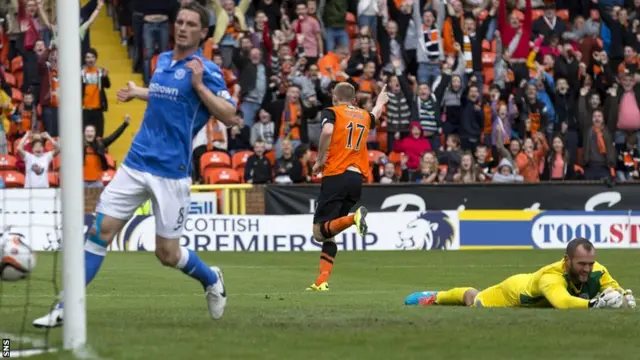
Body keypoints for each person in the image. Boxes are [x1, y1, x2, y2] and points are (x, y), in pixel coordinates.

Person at [33, 2, 237, 328]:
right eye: (180, 22)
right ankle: (65, 308)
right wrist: (138, 92)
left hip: (171, 172)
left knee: (167, 254)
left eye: (190, 24)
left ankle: (212, 278)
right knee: (100, 233)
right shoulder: (164, 61)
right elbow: (164, 95)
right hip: (136, 162)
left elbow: (229, 115)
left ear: (202, 32)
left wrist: (199, 86)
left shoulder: (207, 71)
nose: (182, 27)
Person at [306, 82, 388, 291]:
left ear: (334, 98)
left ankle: (354, 218)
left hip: (336, 174)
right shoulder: (363, 115)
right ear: (354, 100)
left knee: (318, 233)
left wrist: (320, 158)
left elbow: (326, 131)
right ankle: (321, 281)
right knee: (330, 232)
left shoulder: (332, 112)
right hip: (356, 177)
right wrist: (380, 101)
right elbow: (375, 114)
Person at [404, 238, 636, 309]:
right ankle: (437, 296)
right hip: (512, 292)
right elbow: (562, 302)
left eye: (590, 263)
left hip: (526, 282)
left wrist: (624, 295)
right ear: (567, 262)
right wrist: (593, 305)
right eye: (581, 264)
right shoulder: (552, 278)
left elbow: (612, 286)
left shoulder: (597, 269)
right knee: (475, 300)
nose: (587, 269)